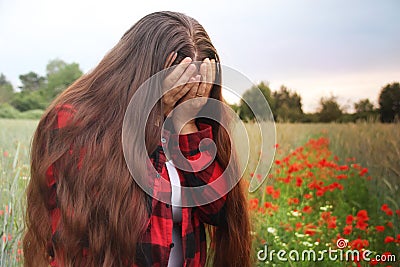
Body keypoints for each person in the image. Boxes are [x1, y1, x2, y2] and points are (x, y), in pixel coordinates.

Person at [23, 11, 252, 267]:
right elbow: (108, 212)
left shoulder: (187, 122)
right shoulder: (73, 121)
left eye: (195, 86)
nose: (185, 92)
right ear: (140, 73)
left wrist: (186, 122)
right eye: (177, 82)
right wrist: (150, 122)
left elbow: (219, 212)